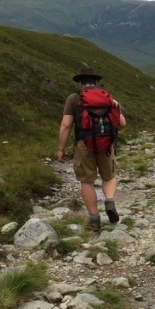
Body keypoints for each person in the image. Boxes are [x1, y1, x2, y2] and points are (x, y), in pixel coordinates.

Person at [57, 66, 127, 231]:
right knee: (109, 177)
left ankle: (94, 221)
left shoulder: (74, 98)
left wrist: (61, 148)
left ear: (80, 82)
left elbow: (66, 125)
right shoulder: (108, 97)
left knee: (86, 181)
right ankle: (109, 201)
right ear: (95, 82)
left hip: (83, 144)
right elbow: (122, 123)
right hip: (106, 144)